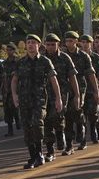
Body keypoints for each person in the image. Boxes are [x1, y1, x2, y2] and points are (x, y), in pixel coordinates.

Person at [11, 34, 63, 169]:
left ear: (39, 45)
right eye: (28, 42)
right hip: (24, 100)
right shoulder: (21, 62)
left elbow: (53, 80)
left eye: (33, 42)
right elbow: (14, 80)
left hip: (39, 99)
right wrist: (14, 95)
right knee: (27, 128)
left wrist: (58, 98)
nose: (30, 45)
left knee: (37, 125)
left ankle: (39, 154)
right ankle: (32, 156)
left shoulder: (45, 61)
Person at [43, 33, 79, 160]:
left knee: (58, 116)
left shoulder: (65, 58)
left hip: (63, 93)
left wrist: (77, 95)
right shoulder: (41, 58)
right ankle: (50, 151)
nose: (51, 47)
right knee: (46, 120)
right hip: (45, 93)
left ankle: (62, 137)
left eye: (53, 44)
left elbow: (72, 77)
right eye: (48, 45)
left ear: (58, 44)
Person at [62, 31, 98, 152]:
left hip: (81, 87)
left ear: (76, 42)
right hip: (66, 88)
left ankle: (82, 138)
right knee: (67, 116)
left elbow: (91, 74)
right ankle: (69, 145)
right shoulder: (62, 55)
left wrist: (97, 91)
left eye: (71, 41)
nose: (69, 43)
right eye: (67, 41)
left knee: (78, 112)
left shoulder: (84, 56)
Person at [80, 35, 99, 143]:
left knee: (94, 113)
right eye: (83, 42)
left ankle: (96, 131)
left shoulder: (96, 58)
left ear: (91, 44)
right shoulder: (77, 56)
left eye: (87, 42)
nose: (85, 44)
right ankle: (83, 137)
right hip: (81, 90)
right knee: (81, 114)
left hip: (93, 89)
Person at [2, 43, 21, 137]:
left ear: (14, 50)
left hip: (16, 89)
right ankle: (10, 130)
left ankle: (18, 120)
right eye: (7, 50)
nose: (9, 52)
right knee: (7, 110)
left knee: (15, 107)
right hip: (6, 89)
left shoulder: (18, 61)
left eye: (10, 50)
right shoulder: (4, 63)